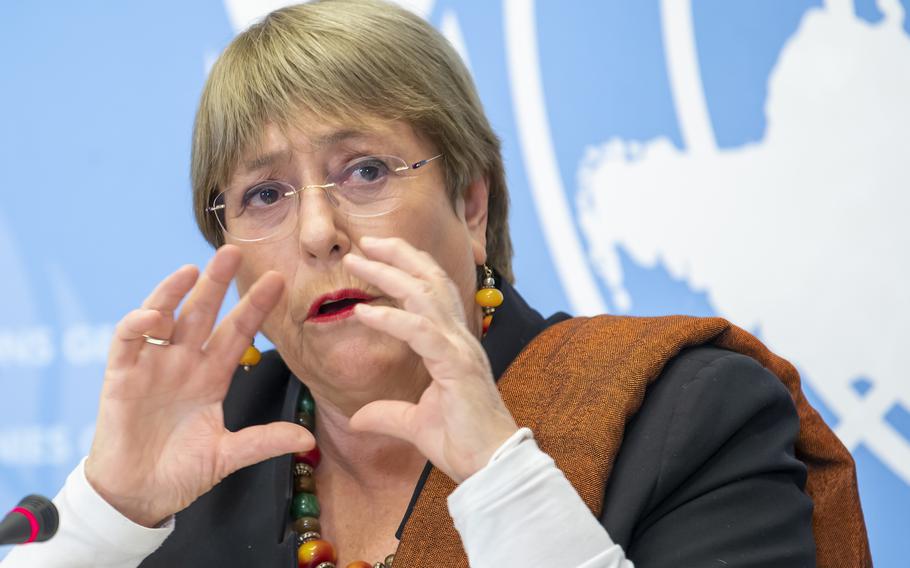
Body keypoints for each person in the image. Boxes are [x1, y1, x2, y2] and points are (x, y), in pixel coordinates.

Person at [3, 1, 870, 567]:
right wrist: (109, 513)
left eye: (366, 171)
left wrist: (502, 478)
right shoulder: (203, 458)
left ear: (469, 201)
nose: (316, 231)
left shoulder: (686, 412)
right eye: (264, 194)